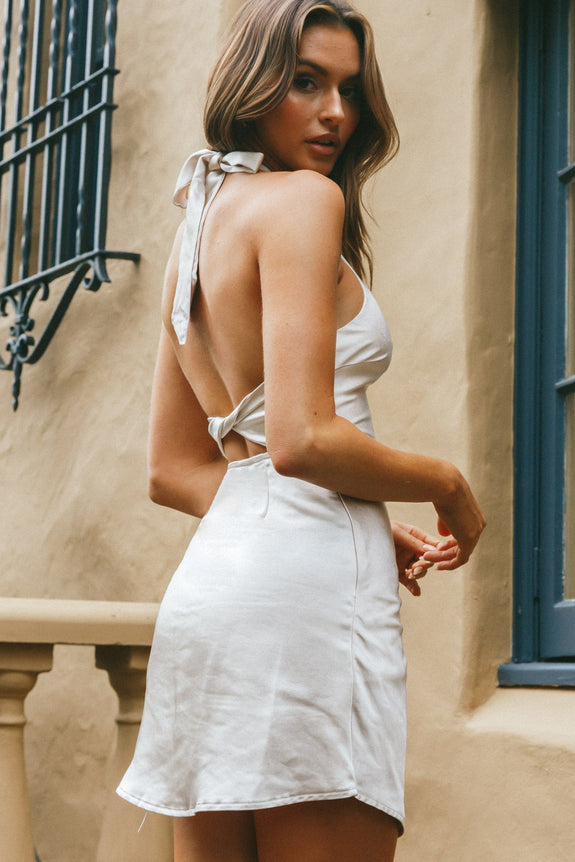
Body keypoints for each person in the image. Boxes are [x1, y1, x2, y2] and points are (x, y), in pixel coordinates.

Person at [117, 1, 486, 860]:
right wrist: (447, 485)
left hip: (212, 602)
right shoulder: (304, 202)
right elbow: (302, 440)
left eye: (349, 90)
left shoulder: (196, 228)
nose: (334, 114)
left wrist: (353, 514)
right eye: (306, 82)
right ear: (251, 84)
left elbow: (174, 470)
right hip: (305, 610)